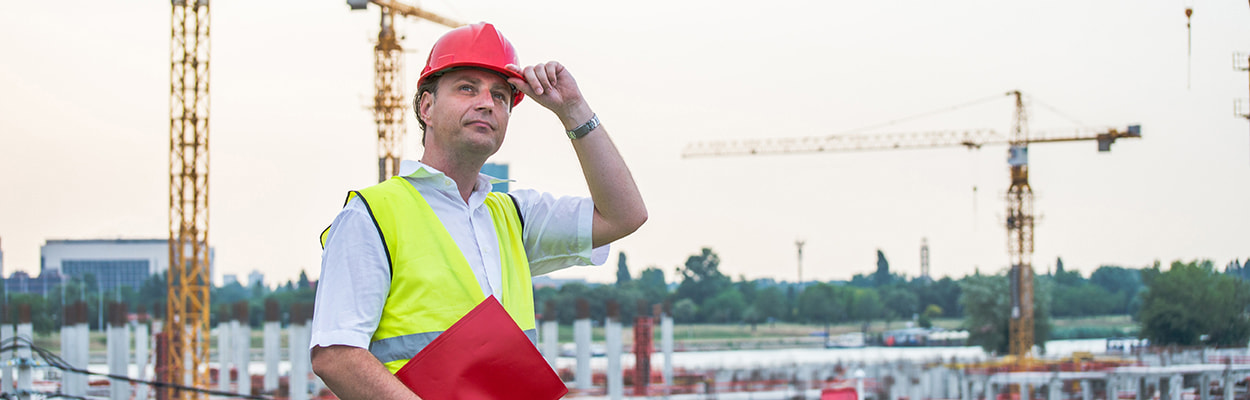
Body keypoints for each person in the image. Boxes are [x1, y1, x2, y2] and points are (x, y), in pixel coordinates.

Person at [308, 22, 647, 400]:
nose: (487, 102)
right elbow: (335, 355)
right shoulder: (370, 215)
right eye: (467, 87)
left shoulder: (514, 215)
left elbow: (624, 215)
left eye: (500, 96)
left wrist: (572, 110)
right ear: (426, 107)